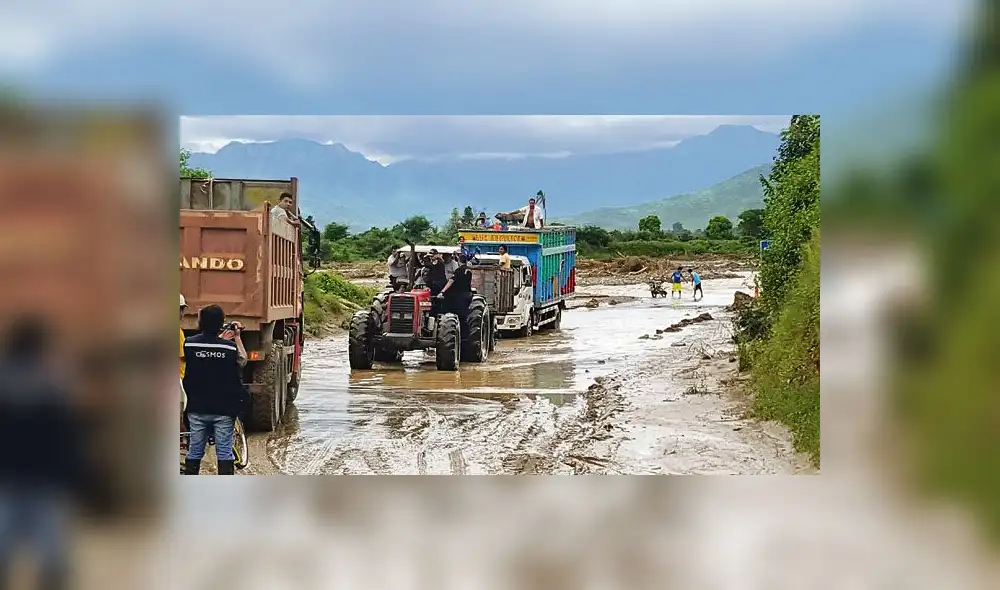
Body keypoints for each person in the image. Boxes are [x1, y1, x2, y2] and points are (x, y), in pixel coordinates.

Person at [0, 316, 83, 590]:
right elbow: (68, 433)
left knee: (5, 537)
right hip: (46, 476)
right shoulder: (55, 382)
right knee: (51, 545)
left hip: (8, 474)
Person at [182, 304, 247, 476]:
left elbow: (204, 350)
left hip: (197, 408)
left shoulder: (189, 344)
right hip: (223, 410)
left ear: (201, 322)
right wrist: (236, 337)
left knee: (195, 451)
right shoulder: (229, 348)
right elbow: (242, 360)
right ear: (221, 323)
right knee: (224, 452)